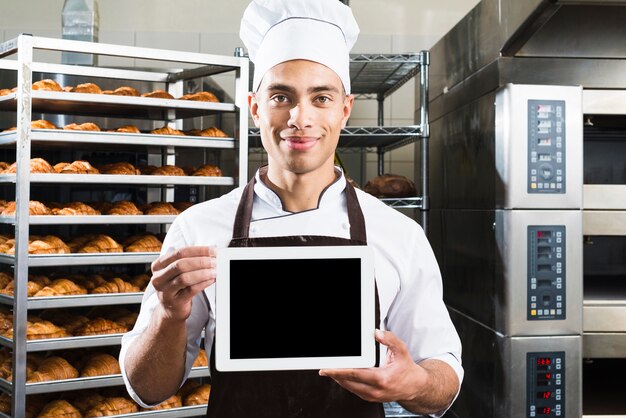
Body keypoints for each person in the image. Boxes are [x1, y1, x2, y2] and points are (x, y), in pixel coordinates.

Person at [119, 0, 463, 417]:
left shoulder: (397, 233)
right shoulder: (198, 228)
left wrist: (415, 383)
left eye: (321, 97)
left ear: (344, 109)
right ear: (256, 107)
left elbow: (442, 382)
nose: (300, 117)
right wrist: (170, 317)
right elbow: (147, 390)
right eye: (282, 96)